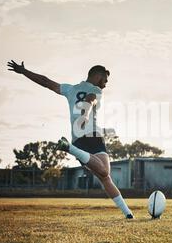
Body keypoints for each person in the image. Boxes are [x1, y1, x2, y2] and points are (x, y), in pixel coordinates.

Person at [7, 60, 134, 219]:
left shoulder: (70, 89)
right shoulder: (96, 90)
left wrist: (24, 72)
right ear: (97, 76)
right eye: (105, 80)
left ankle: (128, 213)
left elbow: (46, 82)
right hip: (92, 136)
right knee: (104, 172)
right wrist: (85, 115)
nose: (105, 85)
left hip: (78, 141)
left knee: (104, 176)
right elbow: (90, 98)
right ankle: (69, 149)